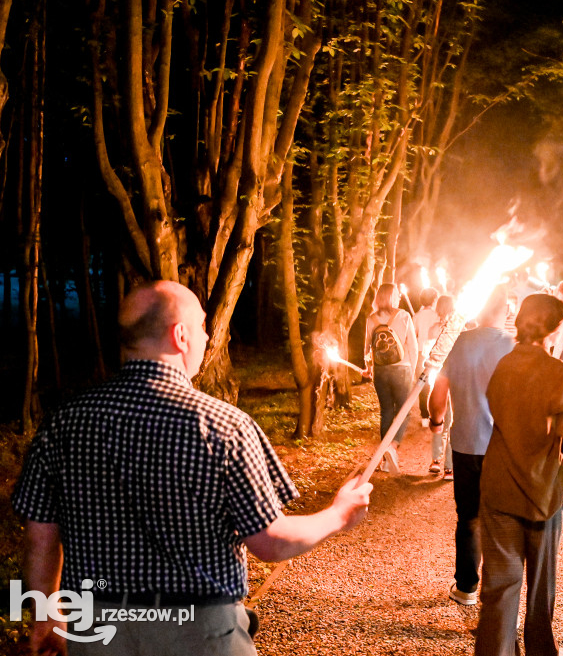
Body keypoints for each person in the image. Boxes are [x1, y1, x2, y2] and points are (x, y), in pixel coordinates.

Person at [11, 280, 373, 656]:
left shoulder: (64, 423)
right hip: (200, 634)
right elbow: (270, 540)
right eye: (202, 326)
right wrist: (338, 514)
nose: (208, 337)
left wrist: (47, 620)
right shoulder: (223, 426)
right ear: (180, 335)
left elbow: (40, 538)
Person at [475, 294, 563, 656]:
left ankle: (497, 650)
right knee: (541, 585)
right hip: (543, 492)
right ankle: (540, 648)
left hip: (499, 485)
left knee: (500, 586)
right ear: (554, 328)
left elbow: (495, 409)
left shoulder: (504, 365)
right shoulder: (557, 372)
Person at [427, 287, 514, 606]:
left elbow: (439, 390)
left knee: (468, 516)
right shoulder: (512, 345)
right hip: (503, 445)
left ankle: (466, 586)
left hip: (465, 442)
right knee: (502, 516)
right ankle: (500, 590)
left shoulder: (459, 342)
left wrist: (436, 421)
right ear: (505, 310)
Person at [364, 283, 418, 473]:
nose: (399, 298)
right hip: (401, 369)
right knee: (404, 411)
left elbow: (367, 349)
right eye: (397, 294)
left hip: (381, 371)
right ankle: (392, 447)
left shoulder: (371, 319)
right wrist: (413, 369)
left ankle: (385, 460)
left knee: (386, 411)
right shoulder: (404, 316)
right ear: (391, 297)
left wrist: (369, 368)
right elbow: (413, 346)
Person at [429, 294, 456, 478]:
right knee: (451, 420)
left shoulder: (433, 330)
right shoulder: (457, 331)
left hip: (438, 376)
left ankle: (436, 461)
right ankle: (449, 466)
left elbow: (427, 353)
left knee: (438, 417)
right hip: (452, 375)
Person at [414, 286, 441, 430]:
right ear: (434, 299)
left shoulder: (417, 316)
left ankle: (424, 416)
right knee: (435, 384)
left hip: (421, 354)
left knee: (422, 385)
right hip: (436, 353)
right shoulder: (438, 315)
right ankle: (435, 415)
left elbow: (413, 335)